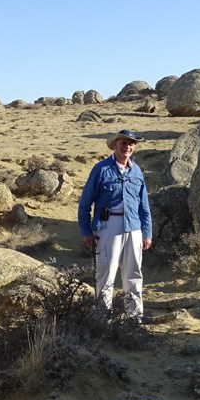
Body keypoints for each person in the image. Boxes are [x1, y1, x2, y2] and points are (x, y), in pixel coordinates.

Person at [78, 129, 153, 321]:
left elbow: (144, 205)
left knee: (134, 274)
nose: (127, 146)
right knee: (106, 274)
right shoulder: (101, 169)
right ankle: (103, 320)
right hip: (107, 226)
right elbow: (85, 203)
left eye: (131, 144)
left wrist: (147, 233)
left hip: (133, 227)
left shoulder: (136, 171)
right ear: (115, 145)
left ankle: (134, 319)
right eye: (123, 143)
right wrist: (87, 231)